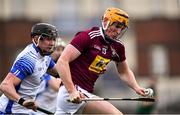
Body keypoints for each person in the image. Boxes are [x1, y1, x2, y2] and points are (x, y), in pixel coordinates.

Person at [55, 7, 149, 114]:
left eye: (121, 28)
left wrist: (136, 87)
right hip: (73, 93)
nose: (118, 31)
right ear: (106, 22)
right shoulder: (88, 36)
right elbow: (62, 62)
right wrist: (71, 91)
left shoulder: (118, 47)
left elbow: (124, 72)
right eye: (117, 26)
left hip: (84, 93)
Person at [0, 23, 59, 114]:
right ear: (36, 39)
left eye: (53, 39)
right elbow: (5, 85)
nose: (52, 43)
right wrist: (22, 101)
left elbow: (59, 73)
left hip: (26, 111)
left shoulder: (45, 56)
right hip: (11, 111)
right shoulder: (28, 60)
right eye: (48, 39)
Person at [34, 40, 65, 115]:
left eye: (63, 50)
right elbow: (58, 86)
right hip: (38, 111)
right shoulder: (45, 67)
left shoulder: (61, 68)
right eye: (57, 50)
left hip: (51, 110)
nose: (61, 53)